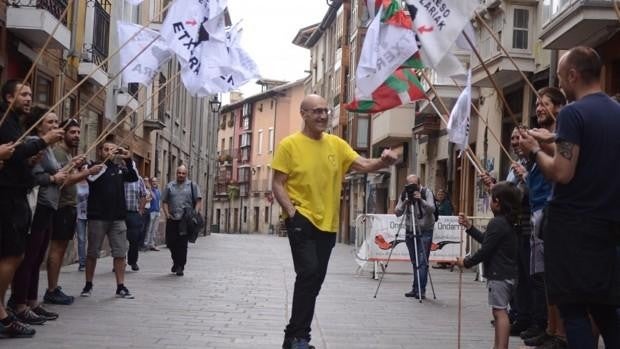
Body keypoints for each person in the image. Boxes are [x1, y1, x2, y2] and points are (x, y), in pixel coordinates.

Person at [272, 94, 398, 349]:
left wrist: (382, 161)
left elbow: (363, 163)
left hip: (327, 223)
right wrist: (291, 212)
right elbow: (277, 183)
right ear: (303, 114)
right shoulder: (289, 145)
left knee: (315, 280)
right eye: (316, 111)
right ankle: (299, 338)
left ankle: (293, 334)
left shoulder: (336, 144)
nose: (322, 116)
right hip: (302, 219)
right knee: (307, 273)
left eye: (325, 111)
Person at [519, 46, 620, 348]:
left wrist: (534, 151)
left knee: (573, 308)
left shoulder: (573, 113)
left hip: (572, 227)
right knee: (604, 308)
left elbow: (562, 172)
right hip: (609, 223)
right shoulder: (616, 111)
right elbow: (585, 158)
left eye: (561, 77)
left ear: (574, 75)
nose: (561, 84)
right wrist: (551, 142)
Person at [0, 80, 63, 338]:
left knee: (18, 255)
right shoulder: (5, 122)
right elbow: (12, 151)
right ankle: (3, 311)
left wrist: (29, 159)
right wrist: (43, 141)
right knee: (13, 255)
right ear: (8, 98)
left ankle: (4, 309)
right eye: (23, 94)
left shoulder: (14, 124)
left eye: (29, 94)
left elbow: (15, 158)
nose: (29, 98)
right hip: (8, 198)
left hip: (18, 198)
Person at [515, 87, 567, 349]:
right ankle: (549, 327)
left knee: (552, 276)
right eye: (536, 104)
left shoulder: (561, 135)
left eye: (543, 103)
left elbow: (559, 165)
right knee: (542, 277)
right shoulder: (542, 137)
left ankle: (559, 332)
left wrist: (539, 146)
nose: (538, 108)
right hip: (539, 211)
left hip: (551, 209)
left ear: (558, 106)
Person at [9, 106, 67, 326]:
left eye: (56, 122)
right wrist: (54, 178)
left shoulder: (49, 147)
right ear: (38, 124)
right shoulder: (34, 143)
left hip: (49, 205)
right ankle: (20, 303)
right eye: (50, 122)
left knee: (37, 257)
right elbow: (32, 176)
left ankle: (32, 302)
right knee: (29, 258)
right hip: (38, 205)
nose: (55, 126)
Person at [456, 181, 521, 349]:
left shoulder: (497, 223)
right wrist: (470, 228)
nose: (490, 203)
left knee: (500, 312)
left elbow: (485, 250)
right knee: (500, 311)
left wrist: (466, 262)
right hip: (509, 273)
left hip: (499, 275)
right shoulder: (506, 222)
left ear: (497, 202)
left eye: (491, 199)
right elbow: (488, 241)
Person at [80, 137, 138, 299]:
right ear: (100, 151)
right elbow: (91, 179)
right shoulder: (94, 167)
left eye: (112, 149)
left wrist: (128, 158)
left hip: (118, 218)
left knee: (120, 253)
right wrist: (105, 162)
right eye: (106, 149)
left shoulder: (120, 168)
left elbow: (133, 177)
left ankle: (121, 286)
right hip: (97, 217)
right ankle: (88, 284)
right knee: (92, 253)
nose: (109, 152)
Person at [44, 118, 90, 305]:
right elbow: (64, 180)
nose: (77, 136)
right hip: (61, 206)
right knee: (57, 248)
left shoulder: (68, 154)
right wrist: (88, 172)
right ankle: (51, 289)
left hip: (70, 207)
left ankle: (54, 286)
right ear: (63, 134)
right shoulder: (58, 152)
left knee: (61, 248)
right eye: (73, 132)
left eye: (79, 132)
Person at [394, 174, 436, 299]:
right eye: (409, 185)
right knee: (414, 261)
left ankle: (421, 290)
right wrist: (406, 201)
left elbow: (432, 209)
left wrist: (421, 200)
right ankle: (415, 288)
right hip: (410, 230)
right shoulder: (404, 194)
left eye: (414, 185)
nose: (412, 188)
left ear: (419, 184)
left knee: (422, 261)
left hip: (425, 231)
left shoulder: (426, 192)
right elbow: (397, 212)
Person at [162, 165, 202, 276]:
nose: (181, 175)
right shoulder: (170, 186)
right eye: (179, 173)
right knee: (171, 243)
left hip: (185, 219)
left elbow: (198, 200)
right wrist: (166, 214)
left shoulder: (192, 186)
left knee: (182, 244)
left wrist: (195, 213)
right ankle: (175, 261)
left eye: (183, 173)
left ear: (186, 174)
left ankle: (180, 266)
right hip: (172, 218)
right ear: (176, 173)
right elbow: (164, 201)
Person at [124, 172, 147, 271]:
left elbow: (143, 195)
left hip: (134, 213)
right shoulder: (121, 177)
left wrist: (141, 210)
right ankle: (119, 262)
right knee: (119, 239)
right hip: (121, 213)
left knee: (134, 239)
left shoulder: (139, 179)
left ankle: (133, 261)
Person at [144, 177, 162, 251]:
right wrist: (150, 189)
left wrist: (160, 210)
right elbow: (152, 198)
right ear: (151, 183)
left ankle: (152, 244)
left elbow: (159, 201)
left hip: (157, 212)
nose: (154, 183)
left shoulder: (158, 191)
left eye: (156, 181)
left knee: (154, 229)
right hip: (151, 211)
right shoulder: (149, 191)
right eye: (153, 181)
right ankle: (146, 244)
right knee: (149, 228)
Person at [75, 177, 89, 271]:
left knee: (93, 239)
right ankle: (82, 263)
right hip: (79, 214)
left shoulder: (91, 181)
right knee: (81, 239)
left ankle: (91, 261)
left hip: (91, 213)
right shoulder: (75, 182)